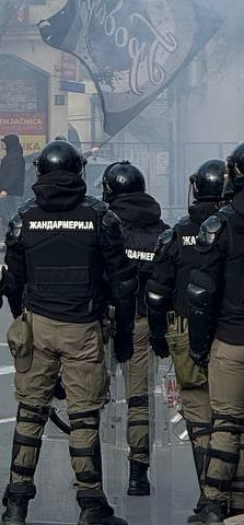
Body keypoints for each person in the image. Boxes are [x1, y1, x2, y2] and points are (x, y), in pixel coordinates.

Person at [0, 139, 136, 525]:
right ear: (78, 172)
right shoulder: (100, 217)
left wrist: (23, 318)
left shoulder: (24, 218)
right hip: (83, 328)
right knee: (84, 419)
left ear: (40, 173)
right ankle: (91, 505)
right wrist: (122, 333)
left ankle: (15, 504)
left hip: (37, 325)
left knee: (30, 415)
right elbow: (122, 282)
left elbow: (11, 280)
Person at [147, 158, 227, 518]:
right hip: (230, 330)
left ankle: (207, 498)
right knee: (232, 418)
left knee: (198, 416)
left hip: (183, 330)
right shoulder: (233, 227)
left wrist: (158, 335)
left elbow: (156, 291)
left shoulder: (177, 234)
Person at [100, 161, 167, 497]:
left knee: (90, 399)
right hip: (142, 321)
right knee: (140, 400)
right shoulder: (162, 230)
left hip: (104, 320)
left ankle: (88, 472)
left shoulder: (104, 224)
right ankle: (138, 474)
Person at [188, 141, 244, 524]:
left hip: (231, 337)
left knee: (225, 423)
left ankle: (212, 504)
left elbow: (201, 292)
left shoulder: (219, 224)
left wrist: (199, 343)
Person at [0, 135, 26, 221]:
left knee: (15, 217)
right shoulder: (13, 156)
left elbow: (13, 175)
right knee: (13, 217)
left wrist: (5, 189)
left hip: (12, 193)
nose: (4, 147)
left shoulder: (15, 157)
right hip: (10, 193)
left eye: (6, 143)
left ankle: (18, 233)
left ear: (10, 144)